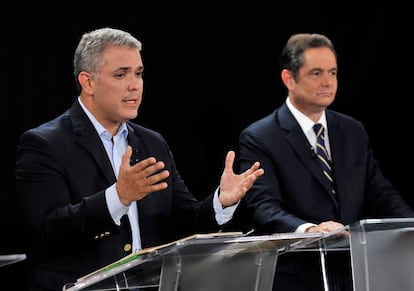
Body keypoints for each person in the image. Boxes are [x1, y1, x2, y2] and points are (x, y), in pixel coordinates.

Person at [15, 27, 264, 291]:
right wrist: (118, 198)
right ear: (88, 82)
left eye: (139, 73)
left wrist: (220, 202)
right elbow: (48, 232)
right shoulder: (44, 143)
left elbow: (183, 222)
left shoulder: (152, 143)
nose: (134, 84)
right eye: (121, 74)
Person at [238, 33, 414, 291]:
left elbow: (380, 193)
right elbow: (263, 207)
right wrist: (309, 230)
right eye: (316, 73)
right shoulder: (260, 137)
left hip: (356, 273)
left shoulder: (352, 131)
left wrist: (409, 224)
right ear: (289, 79)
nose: (327, 82)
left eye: (332, 73)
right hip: (298, 276)